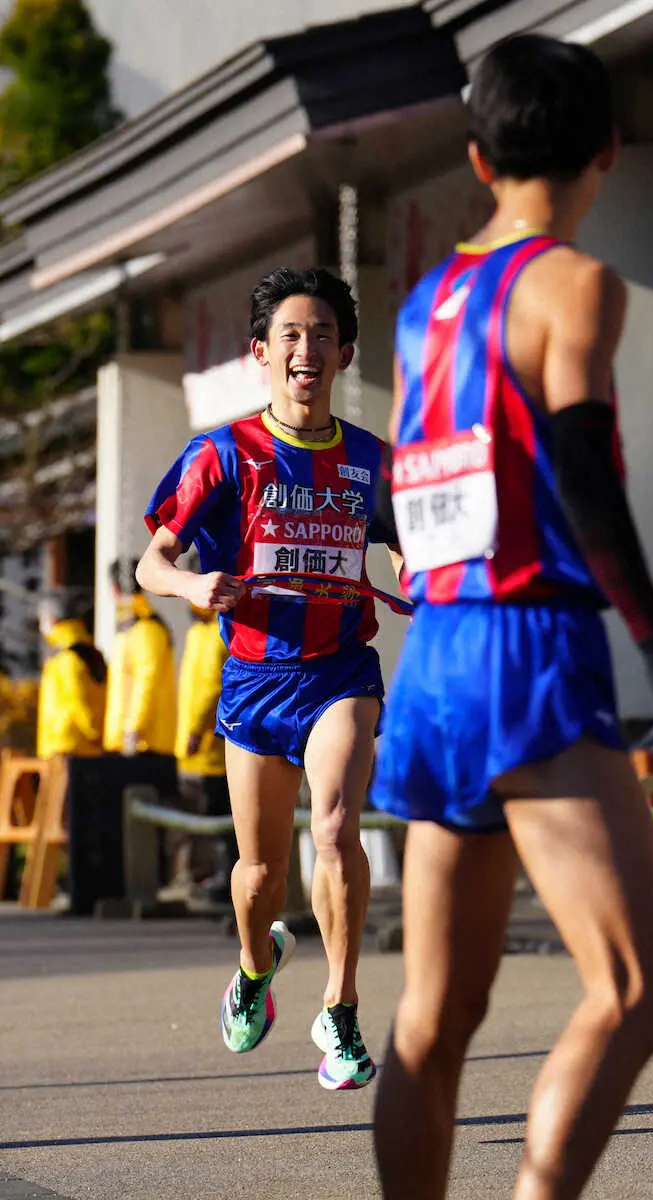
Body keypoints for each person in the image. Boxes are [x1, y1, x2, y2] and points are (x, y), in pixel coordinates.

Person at [370, 35, 653, 1199]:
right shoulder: (575, 285)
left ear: (476, 156)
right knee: (632, 987)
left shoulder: (425, 304)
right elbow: (580, 470)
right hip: (530, 650)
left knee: (432, 1016)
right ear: (606, 152)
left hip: (433, 657)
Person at [137, 266, 393, 1091]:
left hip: (340, 672)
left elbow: (404, 542)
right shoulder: (222, 453)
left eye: (322, 335)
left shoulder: (368, 460)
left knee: (336, 828)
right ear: (261, 352)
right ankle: (256, 965)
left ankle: (342, 1012)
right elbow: (153, 562)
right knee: (259, 878)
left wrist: (418, 571)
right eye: (289, 335)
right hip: (253, 683)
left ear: (344, 353)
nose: (305, 349)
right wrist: (191, 585)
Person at [168, 601, 232, 903]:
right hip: (199, 744)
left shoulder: (217, 630)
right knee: (208, 814)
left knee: (222, 817)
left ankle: (225, 876)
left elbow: (210, 688)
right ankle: (213, 876)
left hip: (211, 744)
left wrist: (195, 729)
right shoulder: (200, 631)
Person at [103, 559, 176, 758]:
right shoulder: (133, 627)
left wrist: (134, 728)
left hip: (143, 742)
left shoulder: (144, 629)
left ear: (115, 588)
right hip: (133, 740)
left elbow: (147, 682)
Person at [36, 591, 106, 759]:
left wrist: (94, 732)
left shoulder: (65, 659)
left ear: (53, 620)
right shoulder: (90, 653)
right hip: (87, 747)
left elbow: (79, 701)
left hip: (65, 745)